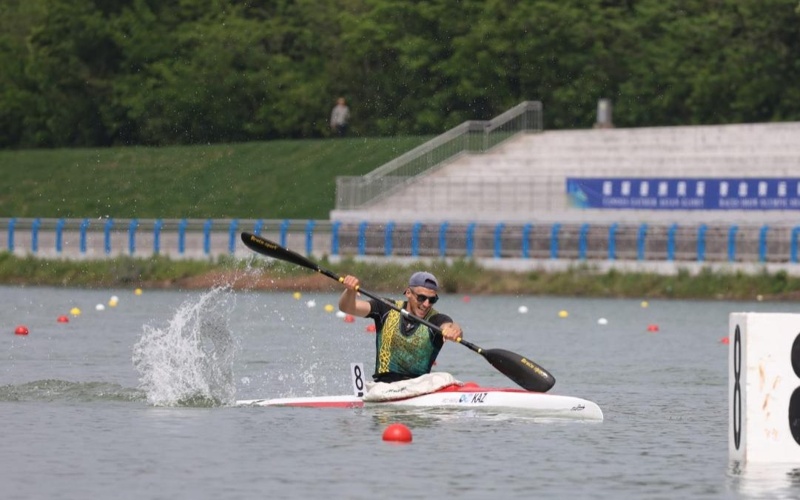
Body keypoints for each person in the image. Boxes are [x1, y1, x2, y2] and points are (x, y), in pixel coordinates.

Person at [338, 271, 463, 383]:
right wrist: (350, 291)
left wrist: (454, 331)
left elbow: (451, 325)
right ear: (408, 293)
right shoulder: (386, 307)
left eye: (432, 300)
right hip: (384, 387)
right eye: (421, 298)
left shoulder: (436, 319)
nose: (426, 304)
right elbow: (348, 308)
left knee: (445, 378)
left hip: (418, 389)